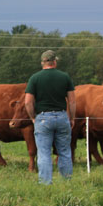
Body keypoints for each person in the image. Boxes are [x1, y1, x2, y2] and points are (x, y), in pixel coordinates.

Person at [24, 50, 75, 184]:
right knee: (64, 151)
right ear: (55, 62)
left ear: (42, 63)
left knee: (44, 153)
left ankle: (46, 183)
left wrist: (33, 118)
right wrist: (72, 118)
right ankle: (66, 182)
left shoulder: (35, 78)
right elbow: (72, 101)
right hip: (62, 116)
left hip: (43, 118)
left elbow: (28, 102)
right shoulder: (65, 77)